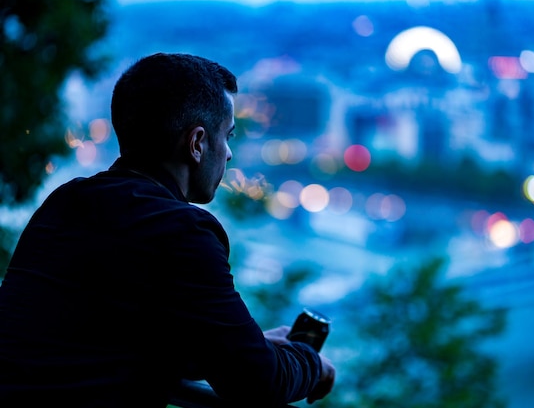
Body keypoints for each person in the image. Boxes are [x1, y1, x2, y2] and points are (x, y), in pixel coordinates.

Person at [0, 52, 335, 407]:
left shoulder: (67, 201)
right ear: (196, 143)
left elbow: (102, 336)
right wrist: (310, 362)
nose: (229, 154)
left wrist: (252, 346)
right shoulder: (182, 232)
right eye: (228, 137)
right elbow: (257, 382)